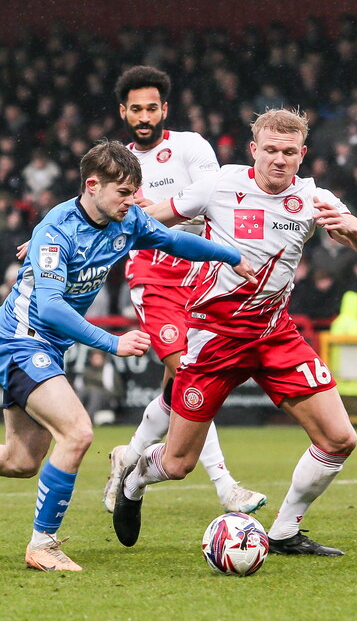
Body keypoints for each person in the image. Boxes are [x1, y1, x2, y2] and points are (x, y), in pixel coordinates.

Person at [0, 140, 258, 572]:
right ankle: (43, 545)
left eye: (135, 192)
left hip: (46, 345)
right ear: (92, 186)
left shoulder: (127, 219)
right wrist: (113, 342)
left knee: (19, 461)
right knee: (78, 433)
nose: (132, 202)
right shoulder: (55, 230)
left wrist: (233, 257)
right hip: (19, 340)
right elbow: (53, 307)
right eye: (123, 193)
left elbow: (174, 241)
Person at [112, 108, 357, 557]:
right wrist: (64, 237)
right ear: (254, 150)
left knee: (340, 439)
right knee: (177, 464)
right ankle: (135, 476)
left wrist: (356, 229)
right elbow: (149, 220)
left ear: (302, 155)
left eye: (289, 153)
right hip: (213, 338)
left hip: (276, 335)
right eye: (271, 151)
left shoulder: (314, 198)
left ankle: (283, 532)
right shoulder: (219, 185)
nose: (279, 160)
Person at [103, 65, 267, 516]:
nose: (144, 116)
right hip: (152, 275)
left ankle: (130, 454)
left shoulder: (191, 146)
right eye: (135, 108)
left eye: (151, 108)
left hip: (198, 272)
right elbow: (92, 212)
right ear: (123, 111)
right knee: (191, 368)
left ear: (164, 110)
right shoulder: (115, 163)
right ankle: (225, 486)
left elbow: (210, 194)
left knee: (179, 384)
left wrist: (151, 212)